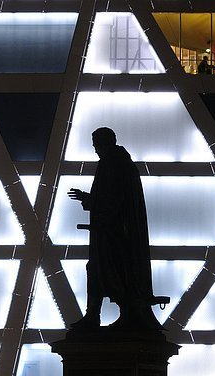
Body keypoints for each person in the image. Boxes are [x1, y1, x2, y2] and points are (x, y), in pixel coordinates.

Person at [67, 127, 162, 331]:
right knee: (100, 270)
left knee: (108, 270)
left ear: (104, 143)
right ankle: (99, 314)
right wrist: (90, 200)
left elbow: (114, 199)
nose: (94, 149)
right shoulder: (119, 162)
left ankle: (105, 314)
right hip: (114, 231)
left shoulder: (114, 163)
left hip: (114, 233)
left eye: (96, 144)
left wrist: (92, 201)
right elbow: (114, 197)